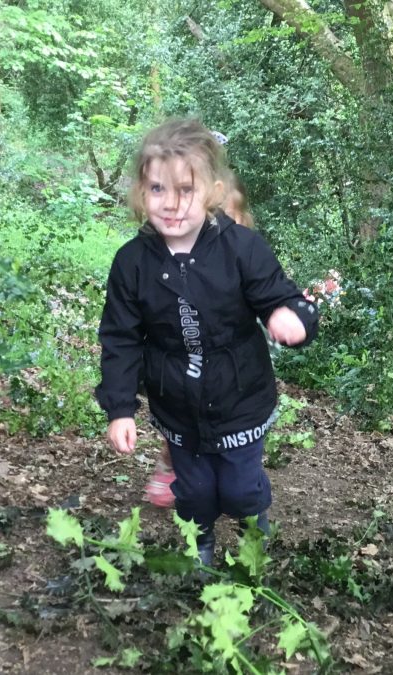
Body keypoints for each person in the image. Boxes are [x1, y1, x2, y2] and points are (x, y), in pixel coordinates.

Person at [96, 118, 318, 565]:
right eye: (157, 188)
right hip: (176, 400)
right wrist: (120, 408)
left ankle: (253, 536)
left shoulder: (242, 248)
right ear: (140, 192)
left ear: (213, 192)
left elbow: (280, 295)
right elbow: (120, 338)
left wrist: (291, 316)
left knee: (239, 488)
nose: (171, 203)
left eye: (186, 189)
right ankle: (200, 550)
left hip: (240, 394)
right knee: (195, 491)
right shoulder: (131, 263)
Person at [143, 162, 256, 509]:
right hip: (182, 360)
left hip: (231, 367)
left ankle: (241, 480)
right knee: (182, 414)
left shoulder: (245, 258)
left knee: (232, 423)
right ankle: (173, 462)